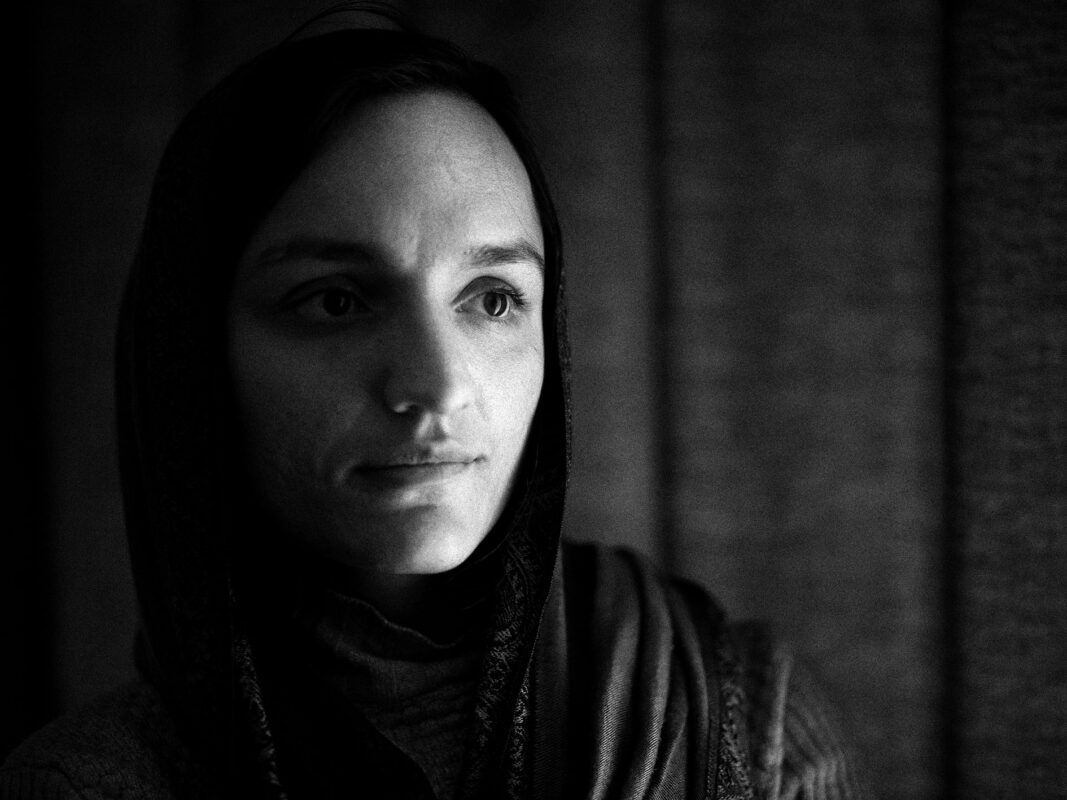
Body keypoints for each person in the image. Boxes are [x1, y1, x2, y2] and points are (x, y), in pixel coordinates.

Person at [2, 7, 866, 799]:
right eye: (335, 300)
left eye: (492, 299)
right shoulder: (92, 785)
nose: (437, 386)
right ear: (193, 351)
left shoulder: (745, 722)